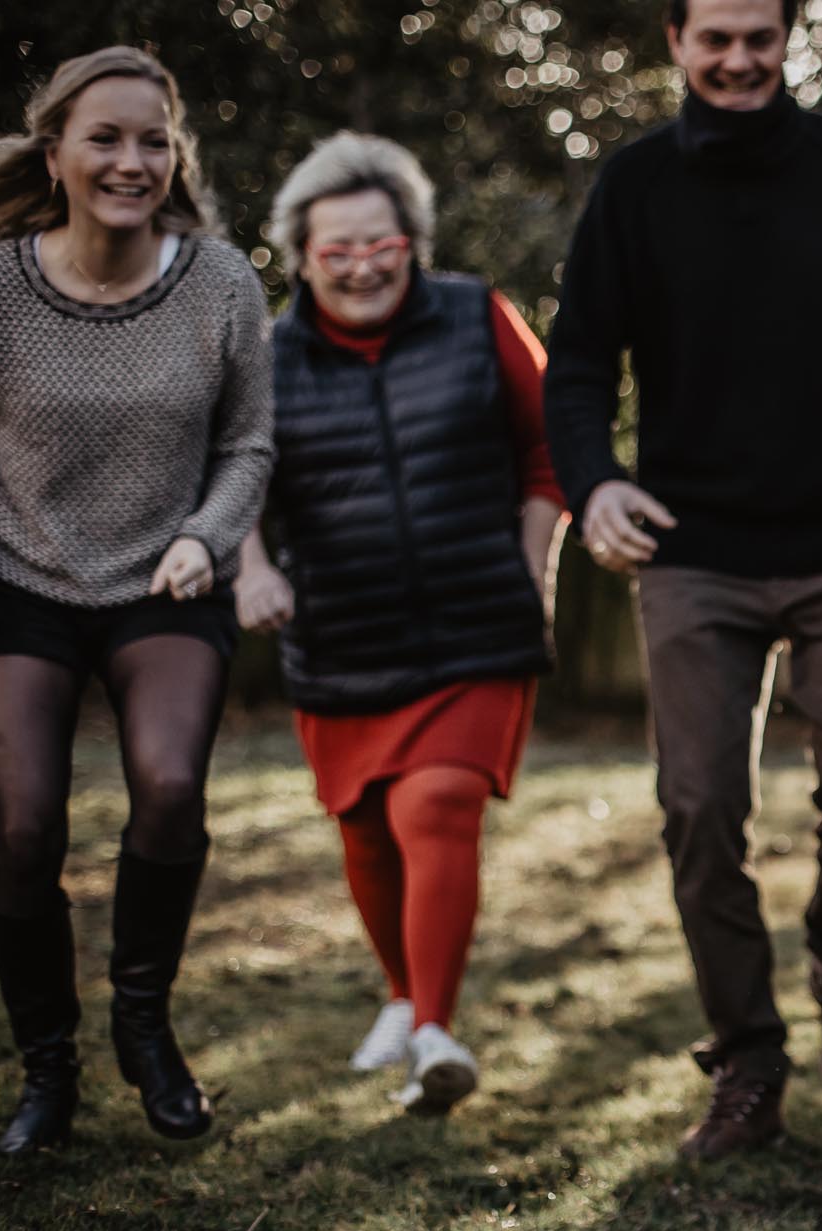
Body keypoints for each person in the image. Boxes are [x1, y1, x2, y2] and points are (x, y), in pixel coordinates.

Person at [545, 0, 822, 1158]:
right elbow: (573, 371)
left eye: (757, 35)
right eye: (713, 37)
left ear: (786, 37)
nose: (736, 58)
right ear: (675, 42)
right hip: (691, 553)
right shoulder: (632, 187)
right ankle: (748, 1059)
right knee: (700, 807)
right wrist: (593, 487)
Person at [0, 47, 274, 1153]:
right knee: (29, 824)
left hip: (164, 579)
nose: (132, 161)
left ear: (175, 153)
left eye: (154, 139)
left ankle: (144, 1026)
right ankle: (48, 1073)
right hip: (19, 576)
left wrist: (207, 534)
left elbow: (248, 442)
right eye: (106, 137)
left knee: (171, 782)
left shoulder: (222, 283)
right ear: (56, 154)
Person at [232, 133, 565, 1116]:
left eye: (381, 244)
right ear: (300, 257)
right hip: (341, 631)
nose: (362, 264)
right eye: (337, 250)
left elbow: (549, 441)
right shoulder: (266, 355)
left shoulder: (475, 315)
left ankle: (432, 1033)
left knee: (436, 805)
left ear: (411, 242)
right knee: (369, 833)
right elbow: (237, 474)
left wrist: (534, 559)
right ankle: (399, 995)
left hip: (478, 622)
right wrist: (250, 568)